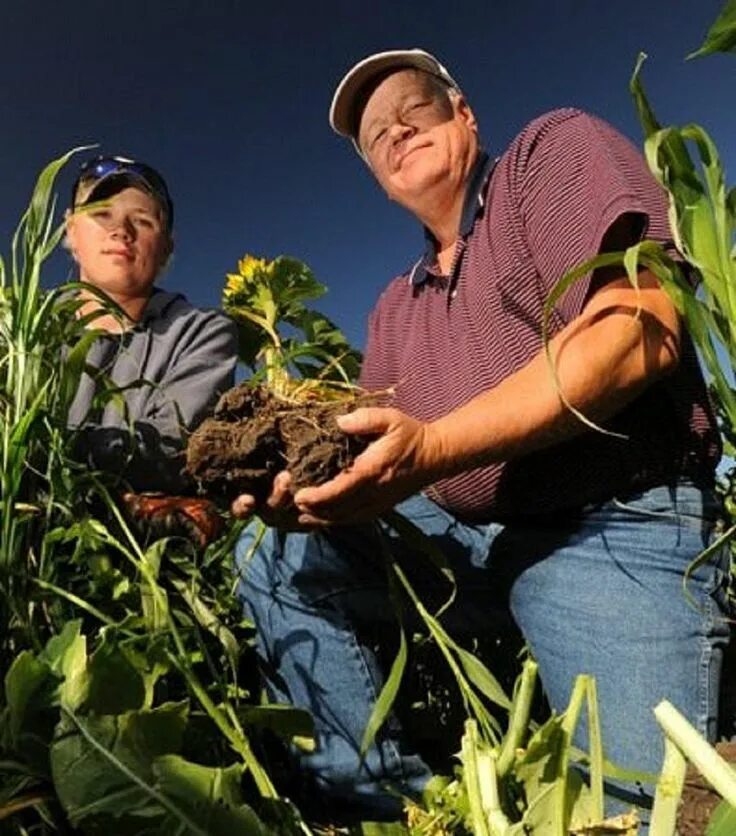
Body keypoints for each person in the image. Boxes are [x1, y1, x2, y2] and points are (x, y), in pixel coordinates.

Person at [233, 51, 730, 824]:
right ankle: (394, 808)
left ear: (464, 113)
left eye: (414, 109)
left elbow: (637, 332)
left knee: (639, 807)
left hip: (611, 524)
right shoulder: (395, 307)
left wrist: (432, 449)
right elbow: (376, 455)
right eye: (374, 136)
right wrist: (320, 490)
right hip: (471, 538)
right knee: (272, 555)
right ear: (374, 173)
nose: (396, 130)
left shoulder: (549, 155)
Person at [65, 155, 237, 500]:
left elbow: (170, 449)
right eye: (102, 213)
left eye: (142, 221)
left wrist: (30, 447)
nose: (121, 231)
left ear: (166, 248)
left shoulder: (201, 332)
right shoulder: (15, 329)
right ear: (71, 232)